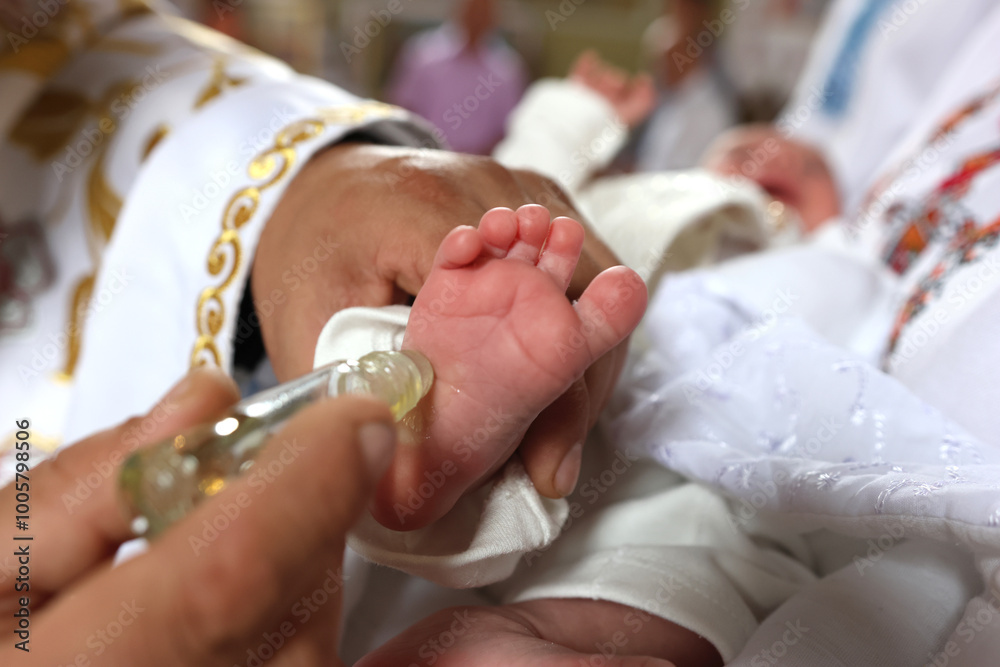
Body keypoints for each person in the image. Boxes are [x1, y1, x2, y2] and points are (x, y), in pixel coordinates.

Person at [385, 0, 528, 155]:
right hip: (421, 157)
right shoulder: (423, 55)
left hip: (479, 164)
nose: (478, 17)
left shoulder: (507, 69)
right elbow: (402, 108)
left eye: (484, 12)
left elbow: (508, 130)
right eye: (474, 9)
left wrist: (472, 160)